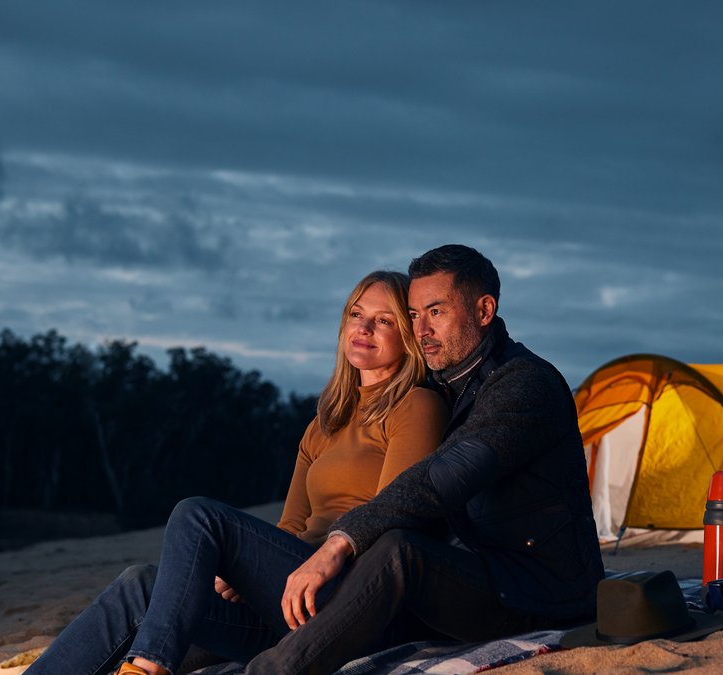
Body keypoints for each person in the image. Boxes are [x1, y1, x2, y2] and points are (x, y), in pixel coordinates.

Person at [26, 270, 448, 675]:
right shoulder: (325, 424)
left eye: (384, 320)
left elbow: (395, 516)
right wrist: (248, 574)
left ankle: (147, 669)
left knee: (199, 516)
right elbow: (292, 525)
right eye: (356, 314)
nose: (364, 327)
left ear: (409, 339)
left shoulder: (416, 406)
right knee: (140, 586)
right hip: (292, 602)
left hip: (358, 600)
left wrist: (271, 562)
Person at [245, 244, 605, 674]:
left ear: (484, 310)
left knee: (400, 552)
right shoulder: (447, 386)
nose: (421, 329)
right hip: (476, 573)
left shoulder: (524, 384)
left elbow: (445, 477)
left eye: (436, 311)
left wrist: (340, 541)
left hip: (537, 590)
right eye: (414, 315)